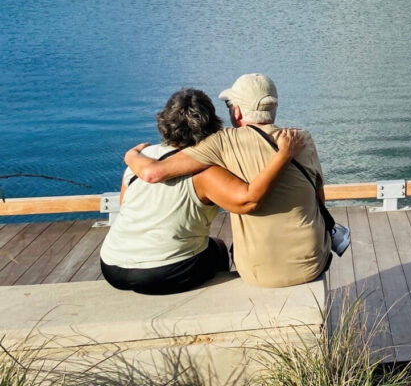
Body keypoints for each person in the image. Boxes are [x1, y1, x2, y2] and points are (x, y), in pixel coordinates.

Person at [124, 74, 347, 288]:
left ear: (237, 111)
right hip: (311, 264)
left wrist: (131, 155)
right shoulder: (302, 139)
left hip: (254, 272)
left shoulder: (221, 143)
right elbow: (320, 197)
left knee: (219, 249)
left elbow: (154, 173)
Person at [101, 88, 304, 295]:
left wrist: (131, 155)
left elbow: (125, 206)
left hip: (111, 265)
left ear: (164, 121)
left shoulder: (141, 159)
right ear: (212, 123)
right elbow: (248, 201)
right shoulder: (206, 172)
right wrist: (283, 155)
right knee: (218, 249)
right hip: (162, 272)